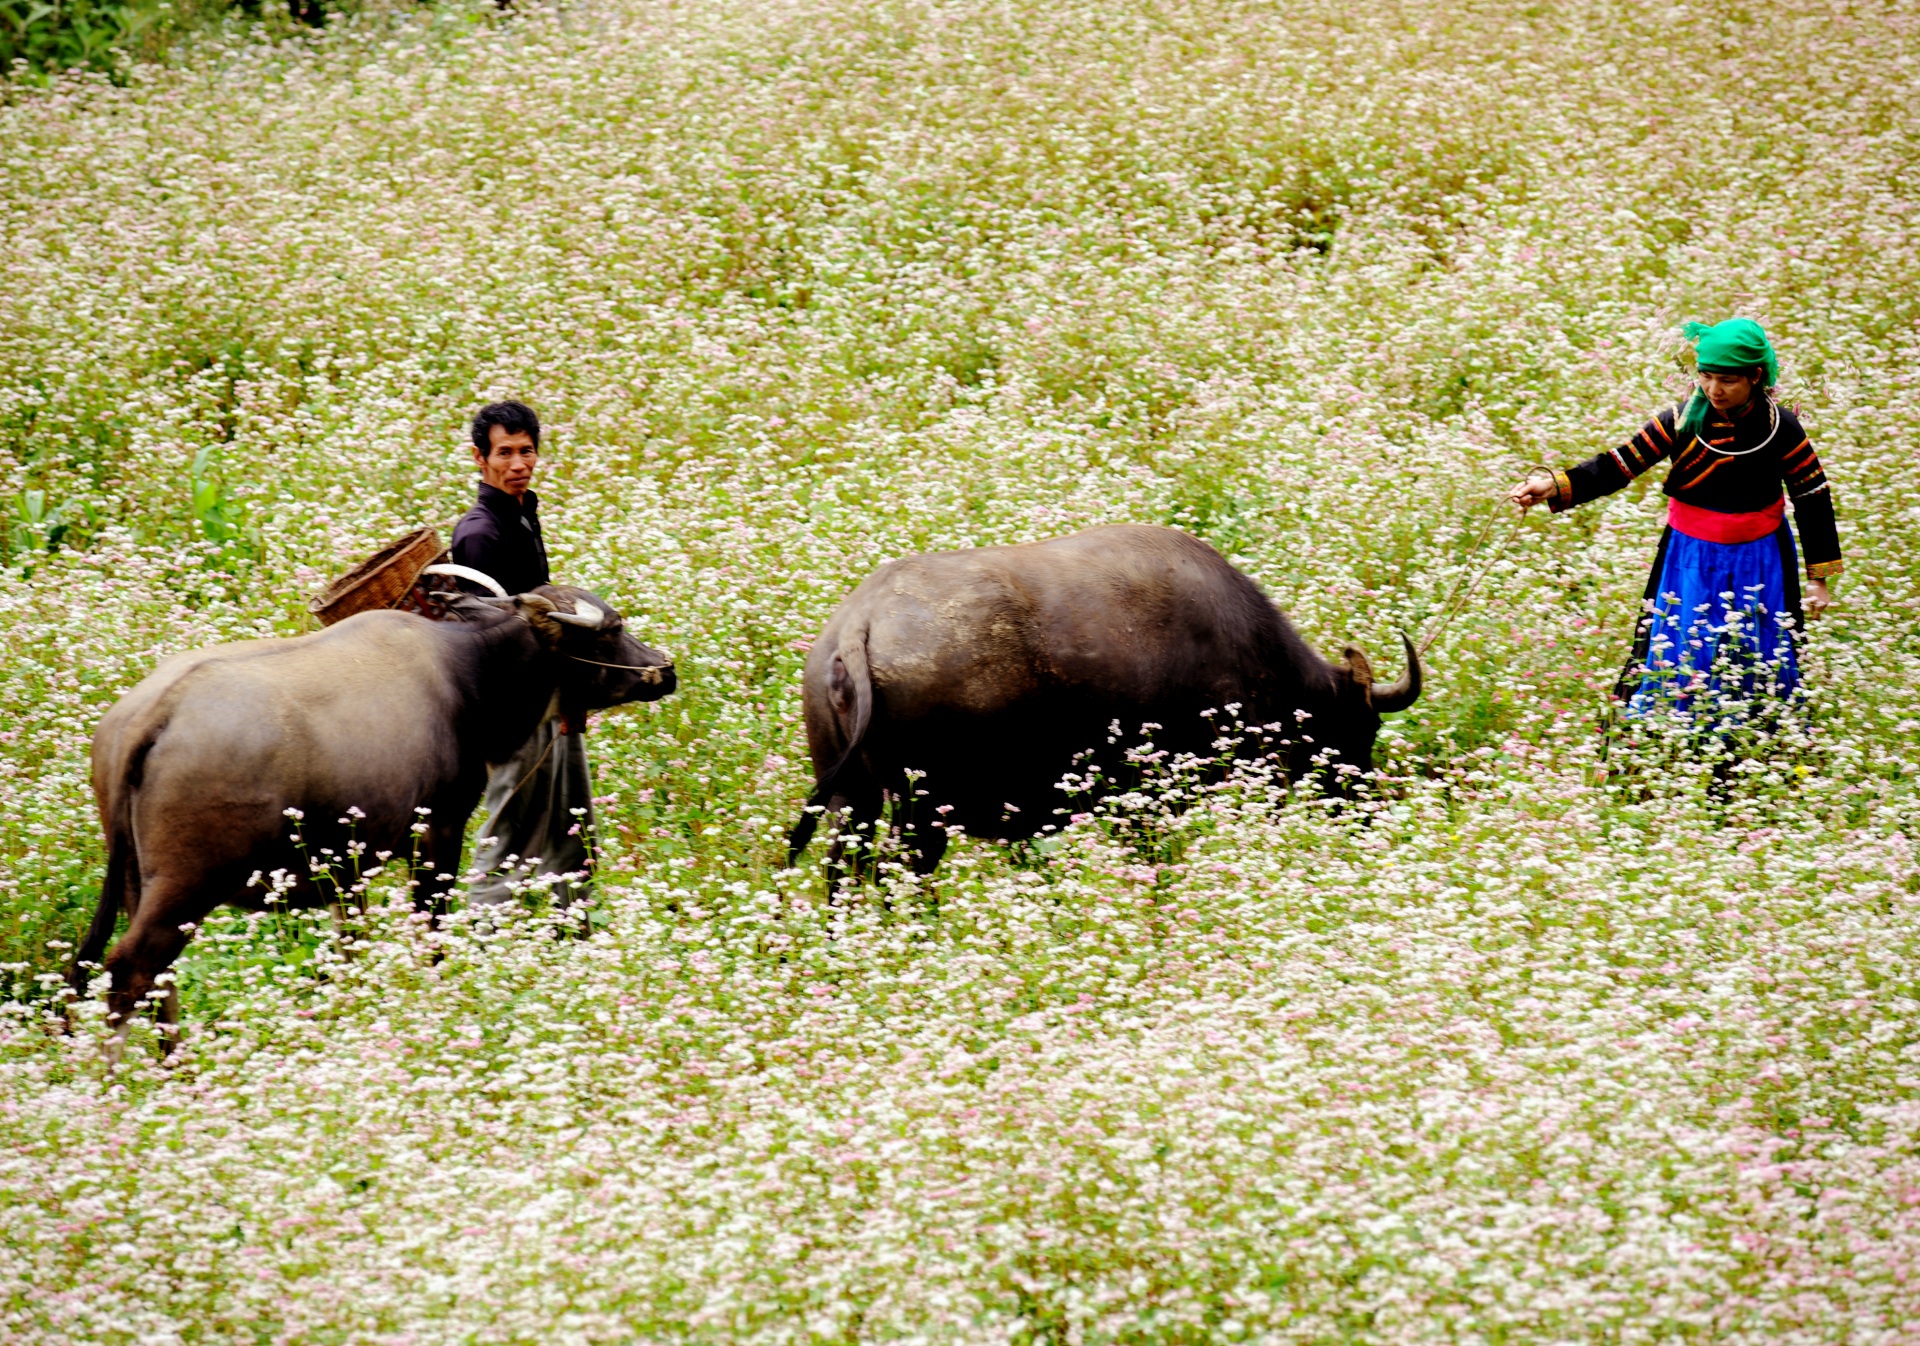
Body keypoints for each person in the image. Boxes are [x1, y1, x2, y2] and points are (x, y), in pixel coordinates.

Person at [1507, 318, 1841, 717]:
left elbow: (1812, 496)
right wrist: (1555, 485)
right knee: (1683, 648)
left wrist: (1818, 579)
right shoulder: (1680, 421)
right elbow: (1620, 464)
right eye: (1706, 376)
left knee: (1758, 652)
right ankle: (1675, 734)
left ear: (1754, 376)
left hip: (1761, 559)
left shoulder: (1780, 428)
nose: (1714, 390)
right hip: (1690, 559)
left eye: (1727, 380)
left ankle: (1757, 738)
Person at [450, 400, 596, 905]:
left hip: (547, 694)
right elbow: (489, 637)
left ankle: (570, 930)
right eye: (505, 453)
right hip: (515, 707)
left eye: (527, 451)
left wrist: (566, 695)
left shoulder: (521, 515)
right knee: (510, 830)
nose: (518, 464)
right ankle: (483, 933)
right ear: (479, 458)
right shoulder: (479, 533)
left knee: (571, 824)